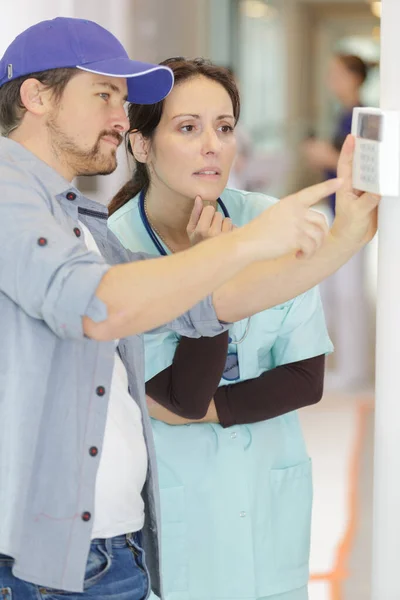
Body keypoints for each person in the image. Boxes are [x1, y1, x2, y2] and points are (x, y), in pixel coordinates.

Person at [0, 18, 377, 600]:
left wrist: (346, 239)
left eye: (224, 127)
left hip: (114, 548)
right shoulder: (10, 195)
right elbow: (101, 311)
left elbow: (207, 308)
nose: (119, 118)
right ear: (36, 95)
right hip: (60, 563)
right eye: (105, 95)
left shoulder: (80, 224)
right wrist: (242, 246)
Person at [107, 57, 333, 600]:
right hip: (180, 499)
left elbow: (306, 378)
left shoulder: (270, 222)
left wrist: (202, 409)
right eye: (188, 128)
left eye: (225, 127)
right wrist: (212, 277)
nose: (213, 145)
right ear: (141, 145)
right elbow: (182, 397)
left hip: (267, 490)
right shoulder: (113, 250)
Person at [303, 54, 371, 391]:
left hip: (352, 213)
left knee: (349, 294)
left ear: (355, 78)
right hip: (337, 210)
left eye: (337, 73)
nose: (331, 79)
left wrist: (322, 155)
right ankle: (343, 366)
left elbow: (358, 166)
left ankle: (354, 371)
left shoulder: (359, 116)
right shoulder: (343, 115)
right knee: (335, 291)